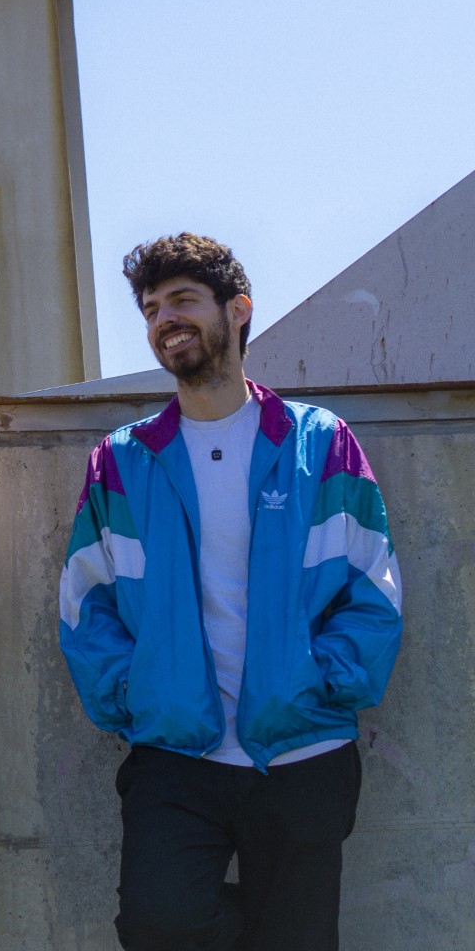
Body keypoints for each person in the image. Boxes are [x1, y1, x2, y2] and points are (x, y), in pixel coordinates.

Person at [58, 233, 403, 951]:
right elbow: (85, 601)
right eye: (152, 309)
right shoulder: (122, 461)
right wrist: (132, 693)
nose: (165, 320)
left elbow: (374, 582)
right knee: (159, 921)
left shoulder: (319, 442)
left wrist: (325, 682)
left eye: (182, 300)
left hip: (304, 745)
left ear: (237, 309)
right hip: (175, 750)